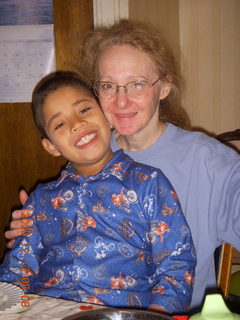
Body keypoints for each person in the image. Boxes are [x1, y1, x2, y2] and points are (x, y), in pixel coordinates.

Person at [5, 19, 240, 312]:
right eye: (108, 85)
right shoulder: (87, 152)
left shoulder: (213, 163)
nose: (121, 100)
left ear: (165, 85)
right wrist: (32, 226)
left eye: (137, 84)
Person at [0, 71, 196, 313]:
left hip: (122, 313)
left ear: (107, 117)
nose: (77, 124)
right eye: (60, 124)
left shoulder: (148, 184)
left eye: (83, 110)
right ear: (51, 146)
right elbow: (19, 268)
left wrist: (157, 314)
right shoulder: (41, 198)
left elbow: (176, 264)